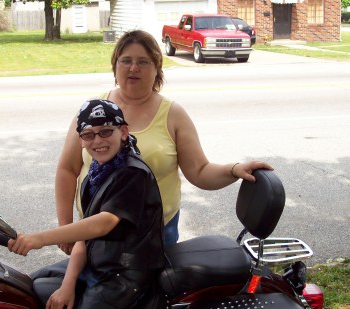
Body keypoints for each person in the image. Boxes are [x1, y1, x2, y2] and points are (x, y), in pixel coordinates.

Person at [55, 29, 273, 249]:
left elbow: (199, 171)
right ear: (115, 65)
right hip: (93, 231)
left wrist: (234, 170)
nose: (134, 68)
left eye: (143, 61)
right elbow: (67, 169)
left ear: (157, 67)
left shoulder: (173, 114)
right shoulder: (92, 110)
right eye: (126, 61)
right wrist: (65, 228)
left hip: (153, 237)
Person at [8, 99, 165, 309]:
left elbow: (103, 223)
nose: (98, 141)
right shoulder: (99, 170)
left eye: (105, 132)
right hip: (98, 262)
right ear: (80, 139)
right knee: (23, 288)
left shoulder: (132, 173)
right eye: (88, 135)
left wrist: (38, 239)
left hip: (123, 275)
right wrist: (68, 285)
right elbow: (85, 233)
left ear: (123, 132)